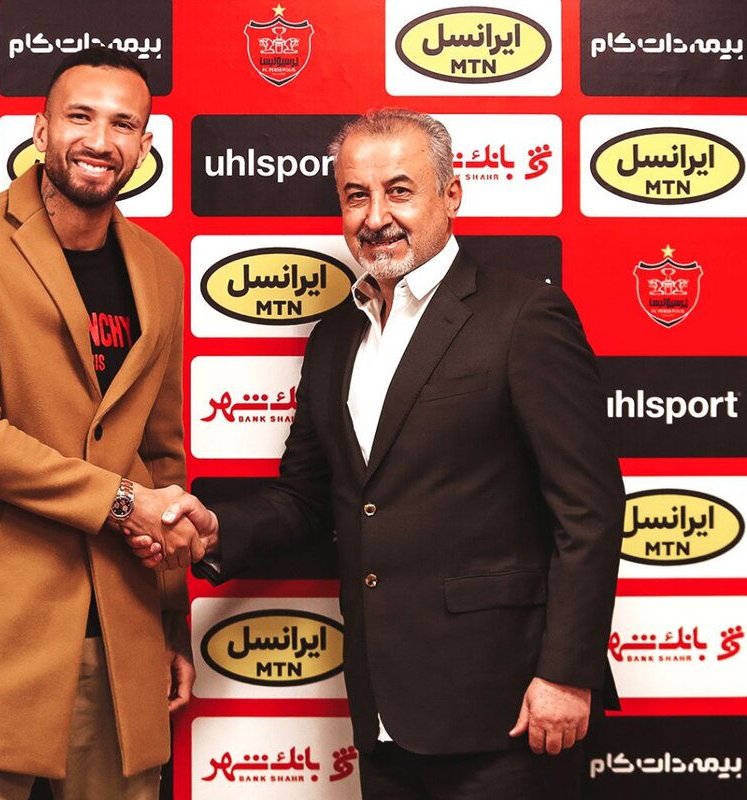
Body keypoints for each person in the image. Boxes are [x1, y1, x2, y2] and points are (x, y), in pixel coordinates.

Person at [129, 109, 625, 799]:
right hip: (384, 710)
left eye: (399, 191)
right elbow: (306, 497)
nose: (375, 217)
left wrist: (566, 675)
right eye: (355, 195)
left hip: (509, 708)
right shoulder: (336, 335)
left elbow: (589, 509)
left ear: (451, 195)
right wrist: (217, 530)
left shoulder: (523, 317)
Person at [0, 48, 203, 800]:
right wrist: (124, 503)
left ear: (145, 146)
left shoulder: (160, 270)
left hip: (120, 638)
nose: (100, 140)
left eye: (123, 124)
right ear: (40, 131)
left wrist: (169, 617)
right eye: (80, 117)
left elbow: (162, 453)